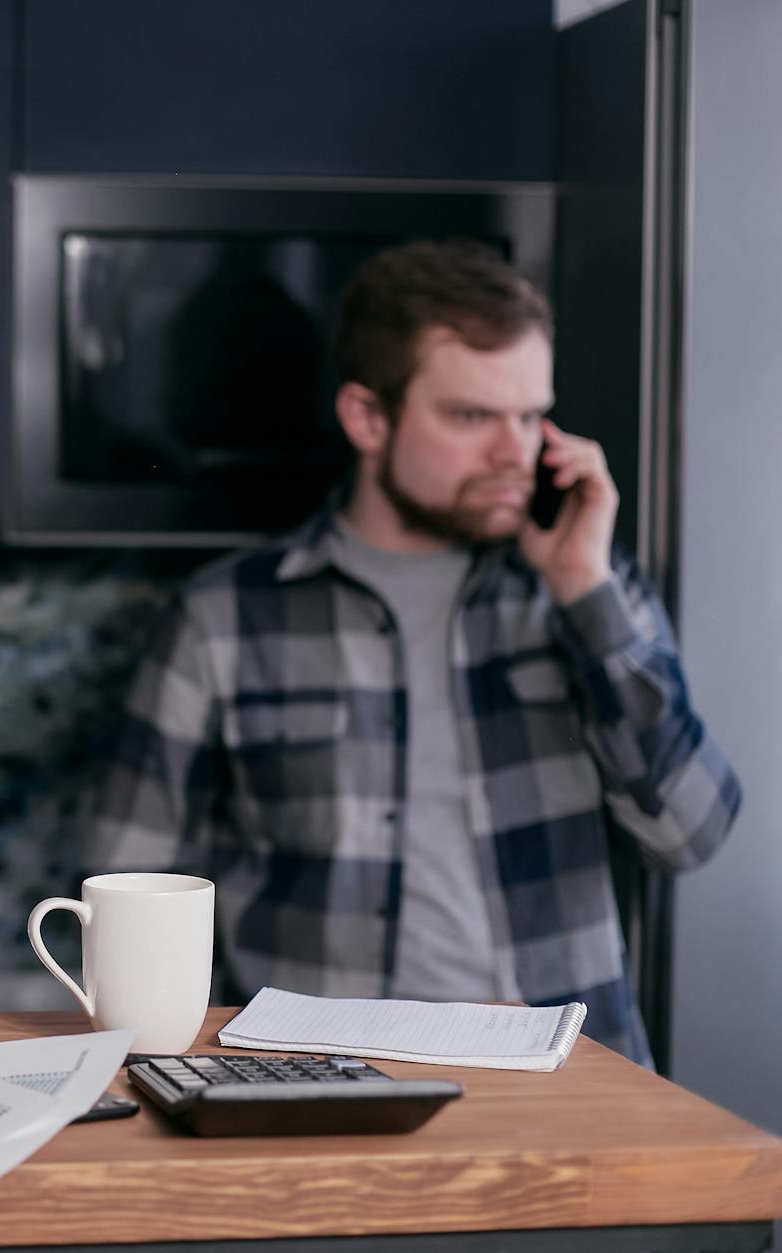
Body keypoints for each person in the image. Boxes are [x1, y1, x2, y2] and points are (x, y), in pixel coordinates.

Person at [92, 240, 739, 1063]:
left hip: (566, 1091)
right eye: (472, 416)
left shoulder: (588, 589)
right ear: (368, 417)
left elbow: (689, 834)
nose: (517, 452)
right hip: (316, 1091)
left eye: (532, 414)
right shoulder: (224, 619)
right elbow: (123, 899)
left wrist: (587, 594)